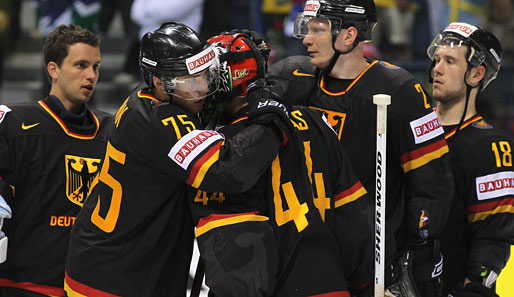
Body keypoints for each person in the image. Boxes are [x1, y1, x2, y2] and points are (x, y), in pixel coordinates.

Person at [64, 22, 296, 297]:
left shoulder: (146, 98)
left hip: (117, 261)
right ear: (160, 82)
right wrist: (270, 119)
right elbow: (229, 171)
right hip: (114, 277)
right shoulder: (161, 122)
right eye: (190, 81)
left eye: (205, 75)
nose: (202, 88)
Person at [267, 0, 455, 296]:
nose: (306, 39)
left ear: (348, 36)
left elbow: (432, 181)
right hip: (305, 253)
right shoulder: (291, 78)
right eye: (307, 28)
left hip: (371, 260)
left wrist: (415, 249)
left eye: (317, 29)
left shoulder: (399, 90)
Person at [190, 31, 372, 297]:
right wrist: (365, 286)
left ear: (229, 79)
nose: (203, 87)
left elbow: (236, 256)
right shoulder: (314, 121)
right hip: (331, 286)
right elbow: (355, 219)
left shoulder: (224, 149)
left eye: (209, 76)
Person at [0, 24, 113, 296]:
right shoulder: (15, 124)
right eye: (81, 65)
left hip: (87, 286)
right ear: (53, 69)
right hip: (23, 285)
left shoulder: (113, 131)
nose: (91, 75)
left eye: (96, 67)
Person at [427, 21, 514, 297]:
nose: (436, 69)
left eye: (450, 61)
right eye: (437, 59)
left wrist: (472, 289)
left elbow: (493, 237)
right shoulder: (411, 131)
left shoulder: (490, 146)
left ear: (477, 74)